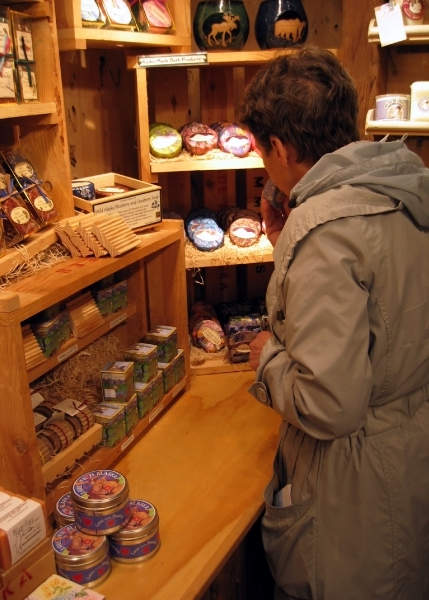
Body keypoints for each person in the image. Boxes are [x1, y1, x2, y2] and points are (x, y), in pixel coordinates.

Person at [238, 45, 429, 600]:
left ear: (280, 147)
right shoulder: (402, 189)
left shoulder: (325, 231)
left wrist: (267, 361)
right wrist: (287, 241)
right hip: (406, 456)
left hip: (352, 498)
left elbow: (330, 405)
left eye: (263, 151)